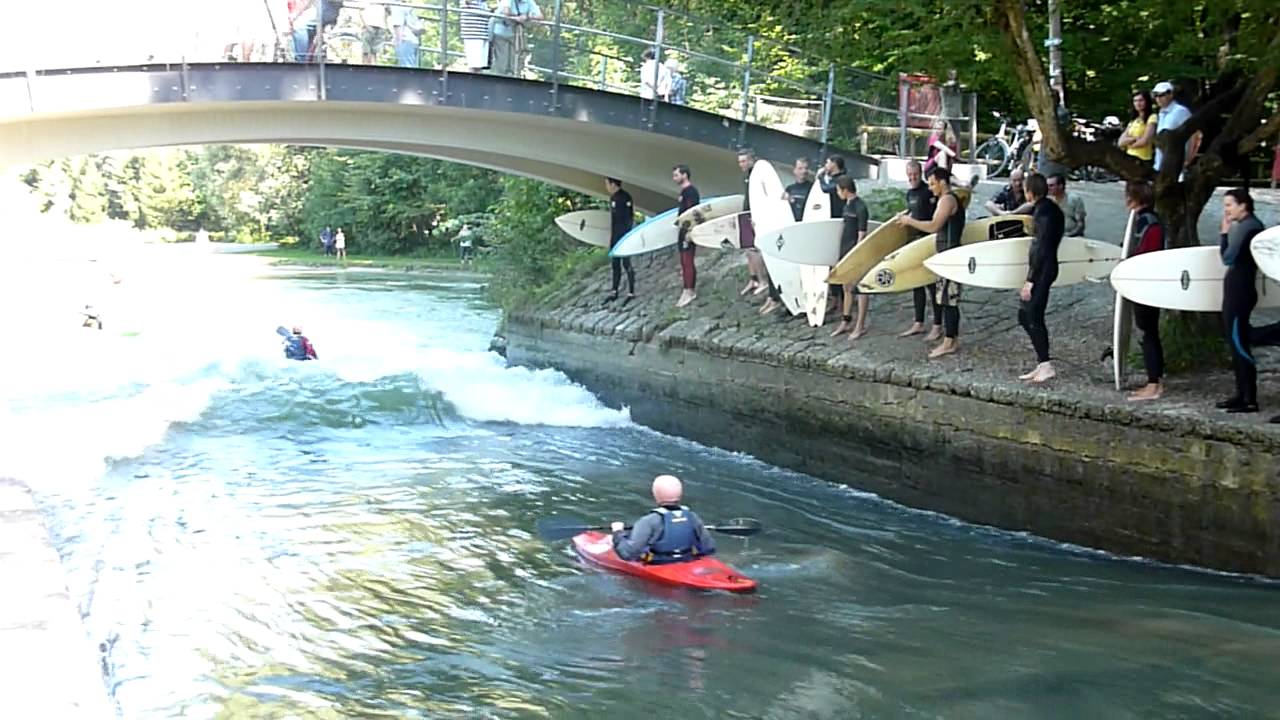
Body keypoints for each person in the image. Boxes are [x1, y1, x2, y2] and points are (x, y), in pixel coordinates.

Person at [897, 166, 964, 359]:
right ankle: (950, 340)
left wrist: (909, 222)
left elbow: (934, 226)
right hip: (945, 255)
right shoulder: (946, 199)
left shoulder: (947, 200)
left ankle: (949, 342)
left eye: (933, 183)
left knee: (949, 301)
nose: (931, 188)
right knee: (944, 299)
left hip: (950, 257)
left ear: (942, 182)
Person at [1216, 189, 1266, 414]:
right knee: (1235, 342)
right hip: (1237, 291)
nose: (1226, 210)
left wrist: (1224, 233)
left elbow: (1227, 257)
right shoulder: (1247, 226)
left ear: (1243, 205)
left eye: (1229, 205)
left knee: (1239, 343)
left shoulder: (1248, 227)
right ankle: (1241, 393)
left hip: (1240, 293)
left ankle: (1249, 399)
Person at [1018, 173, 1064, 384]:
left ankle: (1046, 365)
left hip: (1043, 270)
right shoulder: (1047, 209)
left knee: (1032, 316)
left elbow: (1041, 248)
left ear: (1030, 191)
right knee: (1026, 315)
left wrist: (1030, 280)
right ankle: (1042, 362)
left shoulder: (1044, 212)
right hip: (1045, 268)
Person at [1123, 181, 1167, 402]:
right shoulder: (1144, 220)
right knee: (1148, 333)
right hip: (1145, 283)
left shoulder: (1149, 222)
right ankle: (1154, 381)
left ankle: (1154, 384)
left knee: (1148, 333)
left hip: (1147, 284)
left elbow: (1147, 255)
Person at [610, 475, 716, 564]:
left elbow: (627, 554)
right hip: (686, 560)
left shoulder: (648, 521)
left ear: (655, 494)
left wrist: (617, 532)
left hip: (657, 564)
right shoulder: (692, 517)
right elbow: (709, 548)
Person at [899, 160, 942, 339]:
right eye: (909, 175)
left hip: (929, 242)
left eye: (915, 174)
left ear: (920, 173)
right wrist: (904, 217)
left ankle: (938, 325)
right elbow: (913, 212)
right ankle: (918, 323)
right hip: (915, 243)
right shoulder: (910, 194)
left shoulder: (929, 191)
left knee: (932, 285)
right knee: (916, 283)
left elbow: (935, 219)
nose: (912, 178)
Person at [831, 176, 870, 339]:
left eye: (839, 190)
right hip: (845, 251)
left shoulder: (860, 207)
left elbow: (862, 234)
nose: (838, 193)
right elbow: (844, 228)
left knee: (860, 288)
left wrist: (855, 255)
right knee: (846, 287)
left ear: (845, 190)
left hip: (856, 252)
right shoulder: (846, 205)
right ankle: (846, 321)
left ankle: (860, 326)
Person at [735, 148, 767, 297]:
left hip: (756, 215)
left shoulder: (757, 173)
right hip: (746, 213)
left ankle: (763, 281)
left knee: (755, 250)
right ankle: (753, 279)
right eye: (739, 162)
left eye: (743, 161)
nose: (741, 164)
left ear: (751, 160)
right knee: (747, 249)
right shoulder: (746, 175)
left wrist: (757, 215)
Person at [1153, 81, 1200, 177]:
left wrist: (1188, 159)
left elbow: (1194, 135)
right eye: (1156, 95)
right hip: (1161, 163)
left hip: (1177, 163)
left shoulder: (1180, 111)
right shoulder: (1161, 113)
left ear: (1170, 94)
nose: (1158, 99)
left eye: (1161, 95)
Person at [603, 177, 636, 305]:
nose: (606, 187)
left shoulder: (625, 197)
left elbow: (629, 217)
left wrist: (627, 236)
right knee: (615, 264)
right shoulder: (613, 198)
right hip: (615, 235)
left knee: (626, 264)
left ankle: (631, 292)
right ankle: (614, 291)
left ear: (612, 184)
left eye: (607, 184)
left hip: (624, 235)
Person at [672, 164, 700, 308]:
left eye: (676, 175)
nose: (674, 178)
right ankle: (686, 289)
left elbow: (693, 213)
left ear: (685, 175)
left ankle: (690, 290)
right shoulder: (683, 192)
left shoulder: (691, 192)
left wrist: (690, 231)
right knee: (683, 261)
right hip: (682, 231)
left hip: (688, 231)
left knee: (688, 260)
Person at [490, 0, 541, 76]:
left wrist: (527, 16)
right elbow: (506, 12)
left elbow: (540, 16)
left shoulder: (529, 2)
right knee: (502, 62)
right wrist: (518, 17)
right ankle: (500, 80)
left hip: (516, 35)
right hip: (501, 32)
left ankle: (513, 78)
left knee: (516, 62)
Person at [1117, 90, 1157, 163]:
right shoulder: (1134, 120)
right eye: (1135, 101)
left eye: (1141, 100)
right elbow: (1120, 142)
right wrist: (1135, 138)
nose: (1138, 103)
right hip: (1129, 157)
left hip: (1143, 159)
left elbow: (1145, 141)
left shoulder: (1152, 118)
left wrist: (1128, 144)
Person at [388, 3, 424, 68]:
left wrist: (398, 43)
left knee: (406, 67)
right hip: (413, 40)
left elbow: (398, 25)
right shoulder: (407, 7)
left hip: (404, 40)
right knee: (413, 66)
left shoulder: (396, 8)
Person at [460, 0, 492, 72]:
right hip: (473, 34)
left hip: (483, 34)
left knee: (480, 65)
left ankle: (478, 82)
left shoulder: (483, 2)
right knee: (473, 64)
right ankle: (471, 82)